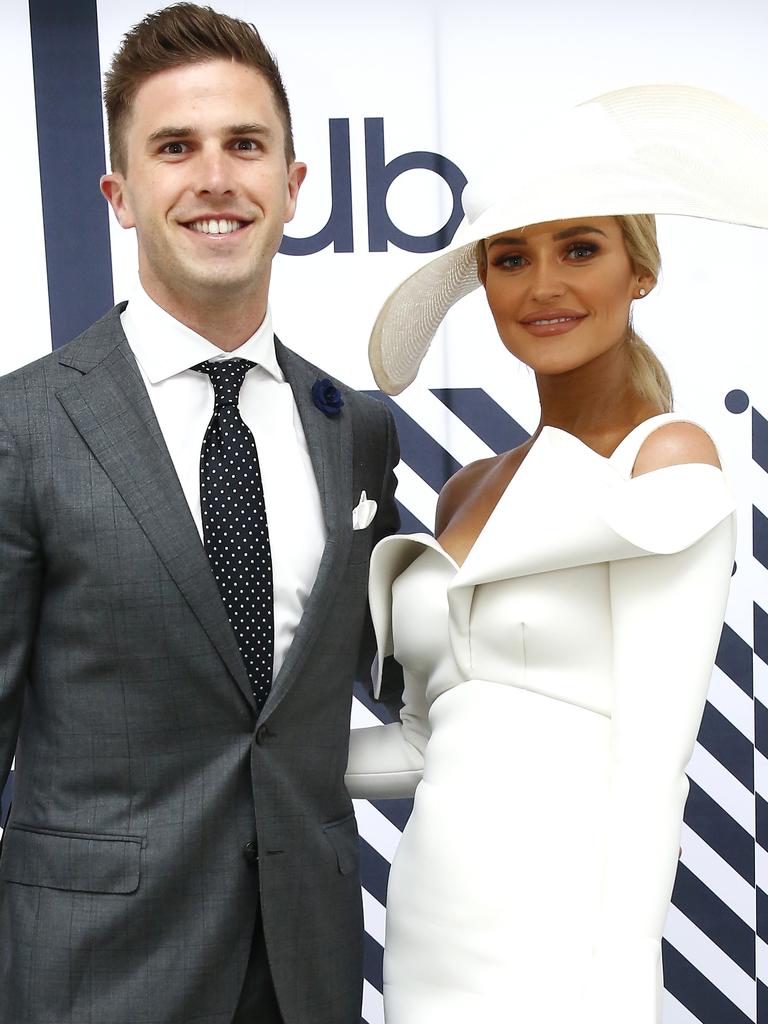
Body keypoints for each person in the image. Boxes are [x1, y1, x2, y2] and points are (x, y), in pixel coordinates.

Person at [0, 5, 399, 1023]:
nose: (215, 177)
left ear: (294, 186)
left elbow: (376, 678)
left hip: (305, 971)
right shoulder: (24, 425)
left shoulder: (351, 429)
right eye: (175, 147)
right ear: (121, 195)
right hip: (93, 978)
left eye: (245, 145)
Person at [346, 85, 768, 1023]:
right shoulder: (466, 489)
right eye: (510, 258)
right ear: (485, 285)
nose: (543, 287)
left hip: (565, 952)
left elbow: (653, 769)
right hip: (427, 932)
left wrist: (618, 994)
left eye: (581, 248)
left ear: (639, 271)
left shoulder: (665, 460)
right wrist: (246, 756)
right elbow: (425, 742)